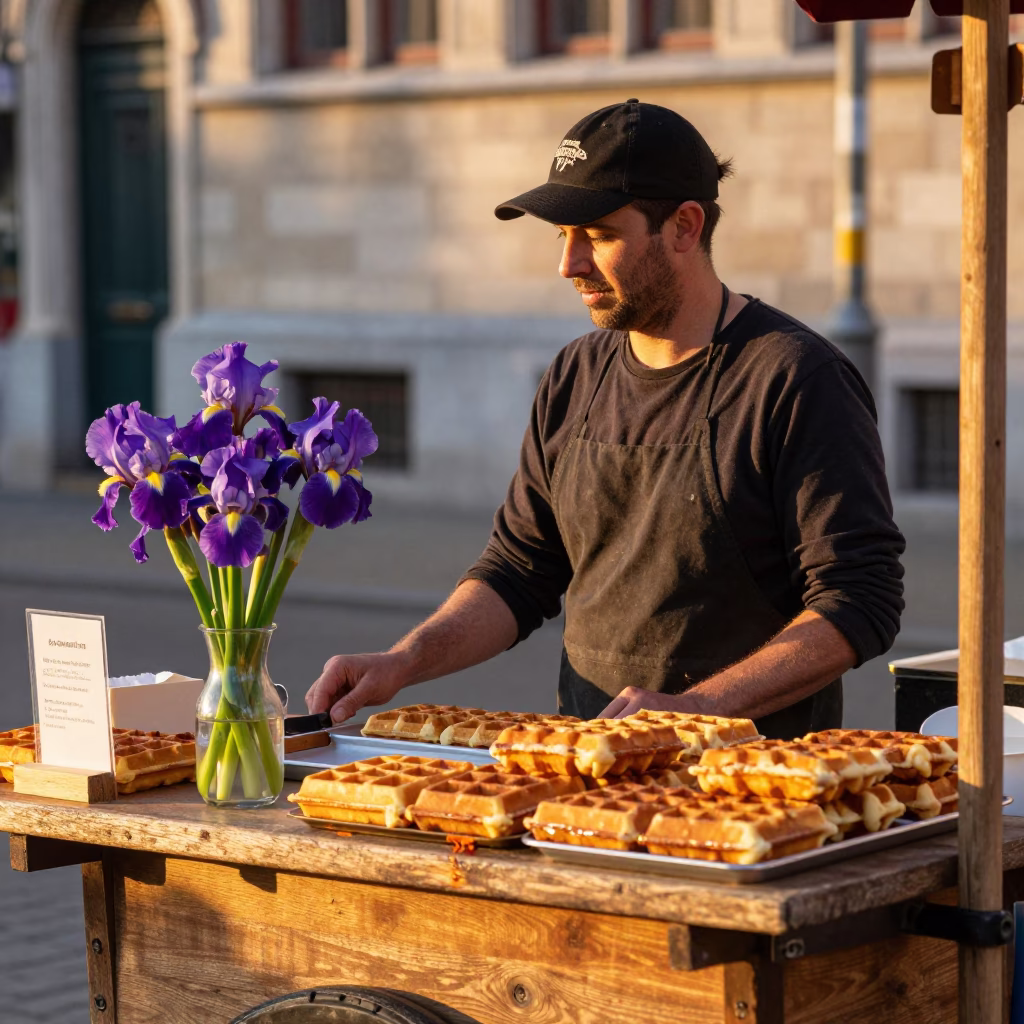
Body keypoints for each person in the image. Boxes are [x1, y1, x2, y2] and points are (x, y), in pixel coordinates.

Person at [306, 99, 905, 738]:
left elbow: (858, 599)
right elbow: (520, 570)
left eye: (598, 235)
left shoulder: (793, 379)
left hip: (756, 790)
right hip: (591, 772)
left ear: (684, 226)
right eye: (562, 237)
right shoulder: (574, 376)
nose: (569, 264)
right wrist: (404, 661)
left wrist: (698, 711)